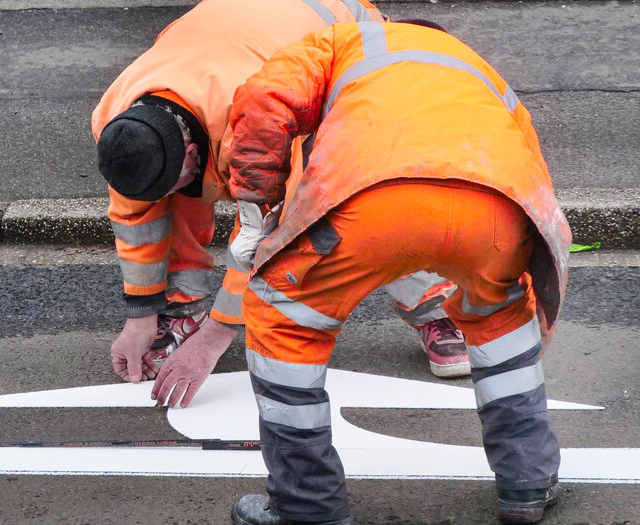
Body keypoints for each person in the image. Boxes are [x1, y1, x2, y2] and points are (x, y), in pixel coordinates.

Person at [208, 18, 572, 525]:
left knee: (284, 326)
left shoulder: (343, 41)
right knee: (503, 324)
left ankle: (307, 506)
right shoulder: (475, 68)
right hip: (494, 208)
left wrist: (261, 207)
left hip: (373, 199)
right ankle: (527, 484)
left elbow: (265, 100)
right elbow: (531, 169)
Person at [92, 0, 472, 392]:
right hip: (255, 36)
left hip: (349, 46)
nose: (159, 198)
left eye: (167, 185)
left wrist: (212, 340)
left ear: (191, 152)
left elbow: (264, 236)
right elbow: (138, 219)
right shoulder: (119, 120)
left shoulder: (255, 128)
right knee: (180, 195)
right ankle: (181, 306)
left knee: (364, 191)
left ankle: (435, 309)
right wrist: (141, 314)